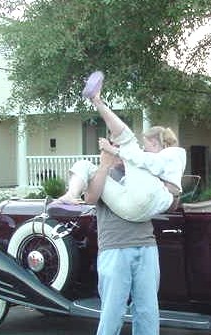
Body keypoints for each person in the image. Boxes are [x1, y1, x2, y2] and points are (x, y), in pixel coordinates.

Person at [58, 71, 186, 222]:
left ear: (154, 143)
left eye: (146, 146)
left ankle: (97, 101)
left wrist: (116, 151)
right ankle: (71, 195)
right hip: (129, 209)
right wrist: (106, 163)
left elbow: (148, 162)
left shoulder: (172, 155)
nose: (144, 150)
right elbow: (91, 199)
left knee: (129, 141)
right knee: (85, 165)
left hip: (147, 202)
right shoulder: (124, 171)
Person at [84, 150, 161, 335]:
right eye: (113, 146)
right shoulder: (99, 173)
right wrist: (104, 165)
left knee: (148, 308)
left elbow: (169, 202)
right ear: (106, 148)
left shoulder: (143, 172)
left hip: (146, 245)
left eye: (122, 146)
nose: (119, 152)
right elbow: (90, 197)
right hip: (114, 248)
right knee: (113, 308)